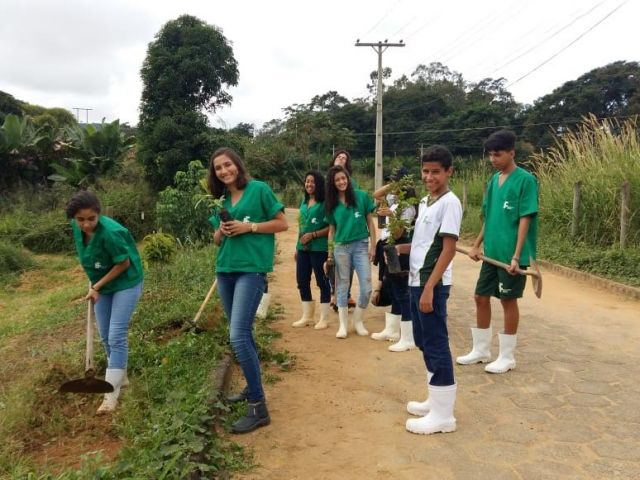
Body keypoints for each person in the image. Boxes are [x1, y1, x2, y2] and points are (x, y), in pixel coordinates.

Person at [208, 147, 288, 433]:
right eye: (218, 168)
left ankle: (258, 406)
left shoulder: (259, 189)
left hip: (251, 270)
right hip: (225, 270)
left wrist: (249, 227)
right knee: (243, 334)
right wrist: (223, 230)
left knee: (238, 335)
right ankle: (250, 387)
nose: (224, 171)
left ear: (237, 166)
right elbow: (217, 240)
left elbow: (282, 223)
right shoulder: (221, 199)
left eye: (227, 165)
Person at [456, 130, 538, 374]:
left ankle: (507, 356)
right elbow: (489, 217)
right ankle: (481, 350)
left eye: (498, 154)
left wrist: (516, 256)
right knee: (480, 297)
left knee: (507, 300)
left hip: (512, 257)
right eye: (490, 155)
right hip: (491, 253)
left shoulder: (525, 180)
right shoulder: (493, 181)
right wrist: (476, 244)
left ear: (511, 153)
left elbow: (525, 219)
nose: (493, 159)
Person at [396, 146, 462, 434]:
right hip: (415, 280)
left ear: (449, 172)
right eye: (426, 171)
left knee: (436, 343)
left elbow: (448, 250)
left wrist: (430, 288)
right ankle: (435, 399)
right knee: (423, 341)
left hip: (431, 283)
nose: (429, 176)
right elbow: (425, 242)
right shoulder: (426, 201)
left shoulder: (451, 203)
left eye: (436, 171)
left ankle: (444, 416)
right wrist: (403, 248)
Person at [65, 190, 144, 414]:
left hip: (126, 282)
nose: (86, 224)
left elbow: (123, 264)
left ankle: (110, 396)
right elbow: (90, 257)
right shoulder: (77, 229)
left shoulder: (110, 233)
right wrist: (94, 283)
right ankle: (122, 377)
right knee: (105, 335)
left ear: (98, 214)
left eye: (91, 218)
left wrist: (96, 286)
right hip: (101, 284)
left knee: (116, 335)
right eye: (80, 220)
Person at [324, 165, 376, 339]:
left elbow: (370, 222)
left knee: (367, 287)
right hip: (341, 248)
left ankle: (358, 321)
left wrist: (373, 246)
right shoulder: (331, 204)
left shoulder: (361, 196)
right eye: (337, 180)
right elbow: (331, 231)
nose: (341, 182)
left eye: (343, 178)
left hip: (361, 246)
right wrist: (330, 253)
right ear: (333, 183)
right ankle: (343, 325)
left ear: (348, 178)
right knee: (342, 287)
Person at [370, 169, 417, 352]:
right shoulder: (395, 202)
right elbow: (376, 195)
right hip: (389, 247)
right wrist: (394, 184)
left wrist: (392, 216)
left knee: (402, 291)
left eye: (397, 185)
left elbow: (399, 234)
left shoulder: (408, 208)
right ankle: (392, 330)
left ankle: (407, 336)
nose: (393, 189)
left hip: (400, 249)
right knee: (394, 288)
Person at [292, 171, 332, 329]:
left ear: (319, 184)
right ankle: (307, 316)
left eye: (312, 182)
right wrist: (297, 247)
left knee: (322, 282)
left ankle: (324, 318)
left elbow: (332, 227)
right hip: (303, 248)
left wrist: (314, 234)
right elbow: (301, 226)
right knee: (302, 281)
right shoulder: (304, 201)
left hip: (319, 248)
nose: (309, 184)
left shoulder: (325, 203)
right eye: (307, 181)